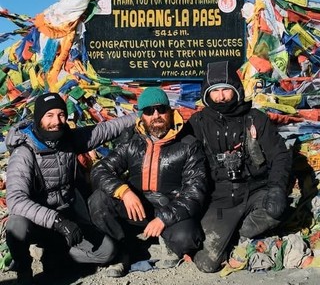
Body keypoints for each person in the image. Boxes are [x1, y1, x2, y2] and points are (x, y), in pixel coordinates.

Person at [5, 92, 136, 285]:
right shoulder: (24, 153)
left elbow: (105, 129)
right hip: (39, 221)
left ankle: (57, 254)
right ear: (39, 118)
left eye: (60, 115)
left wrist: (141, 114)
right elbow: (16, 200)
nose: (56, 121)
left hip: (68, 215)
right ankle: (24, 270)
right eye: (49, 115)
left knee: (107, 252)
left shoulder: (68, 139)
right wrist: (56, 221)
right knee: (16, 224)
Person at [88, 87, 208, 277]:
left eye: (161, 109)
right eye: (149, 111)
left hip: (169, 205)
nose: (156, 115)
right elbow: (100, 170)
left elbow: (196, 191)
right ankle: (121, 251)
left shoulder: (189, 144)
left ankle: (168, 241)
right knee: (99, 200)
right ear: (142, 115)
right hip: (137, 205)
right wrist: (123, 191)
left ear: (169, 111)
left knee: (188, 239)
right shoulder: (131, 140)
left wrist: (164, 218)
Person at [186, 61, 292, 273]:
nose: (221, 96)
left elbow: (280, 154)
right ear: (206, 94)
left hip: (255, 189)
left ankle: (244, 231)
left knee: (277, 209)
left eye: (226, 89)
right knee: (207, 264)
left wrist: (277, 187)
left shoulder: (256, 119)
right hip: (220, 198)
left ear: (237, 89)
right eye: (215, 91)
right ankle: (230, 231)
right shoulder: (197, 123)